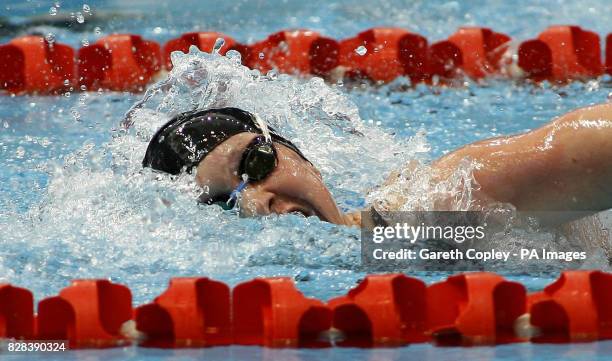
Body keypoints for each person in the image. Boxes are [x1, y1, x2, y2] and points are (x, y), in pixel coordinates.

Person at [142, 103, 612, 227]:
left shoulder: (435, 203)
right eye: (225, 203)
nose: (256, 202)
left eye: (258, 163)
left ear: (299, 154)